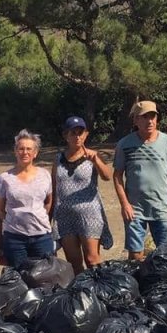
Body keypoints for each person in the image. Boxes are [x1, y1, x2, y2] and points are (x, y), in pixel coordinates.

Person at [113, 100, 167, 261]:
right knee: (136, 254)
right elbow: (117, 176)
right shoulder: (124, 144)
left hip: (162, 208)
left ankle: (165, 285)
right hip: (135, 210)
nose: (149, 121)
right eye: (144, 117)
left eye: (153, 116)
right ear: (136, 120)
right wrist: (125, 205)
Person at [53, 116, 114, 273]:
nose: (77, 136)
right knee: (73, 262)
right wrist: (49, 216)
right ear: (66, 136)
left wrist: (96, 162)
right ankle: (81, 293)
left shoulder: (93, 155)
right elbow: (54, 187)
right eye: (72, 133)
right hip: (65, 216)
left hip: (89, 215)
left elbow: (107, 176)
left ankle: (98, 291)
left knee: (92, 259)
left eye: (80, 132)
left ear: (86, 134)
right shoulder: (58, 159)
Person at [0, 129, 54, 267]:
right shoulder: (4, 178)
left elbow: (48, 202)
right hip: (15, 239)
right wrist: (14, 220)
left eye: (29, 149)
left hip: (42, 236)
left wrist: (36, 217)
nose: (25, 152)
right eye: (21, 149)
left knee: (45, 278)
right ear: (15, 151)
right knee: (19, 280)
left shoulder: (45, 175)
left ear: (35, 153)